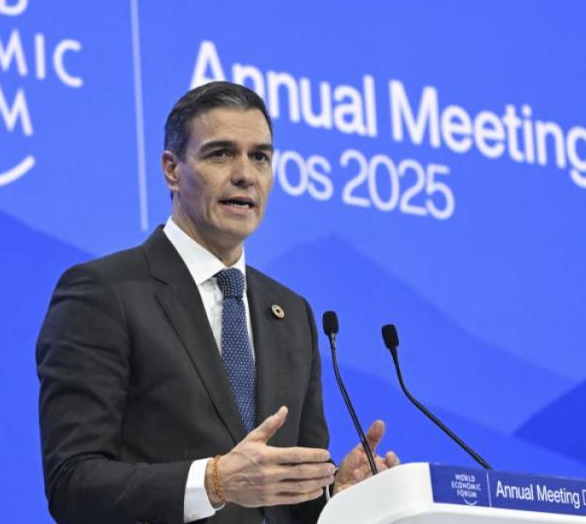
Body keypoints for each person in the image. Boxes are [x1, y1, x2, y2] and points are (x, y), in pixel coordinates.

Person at [36, 81, 398, 523]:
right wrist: (213, 482)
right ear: (172, 170)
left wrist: (336, 495)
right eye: (221, 154)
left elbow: (286, 499)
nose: (246, 174)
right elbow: (72, 482)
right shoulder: (105, 293)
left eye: (260, 157)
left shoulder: (292, 314)